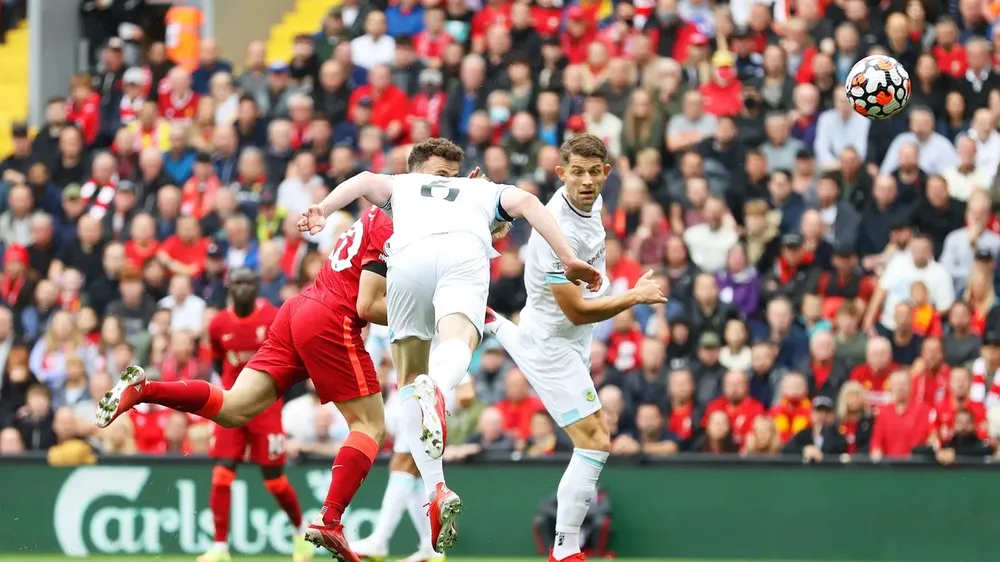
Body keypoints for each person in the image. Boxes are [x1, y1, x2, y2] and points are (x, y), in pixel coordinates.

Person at [296, 137, 603, 553]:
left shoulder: (402, 185)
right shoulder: (478, 189)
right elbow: (531, 204)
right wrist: (568, 259)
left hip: (407, 259)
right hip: (461, 255)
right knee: (461, 337)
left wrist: (323, 208)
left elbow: (364, 179)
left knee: (409, 375)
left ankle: (437, 486)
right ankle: (438, 389)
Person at [483, 134, 666, 562]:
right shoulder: (555, 231)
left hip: (564, 341)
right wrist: (634, 296)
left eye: (593, 172)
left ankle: (492, 322)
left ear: (606, 172)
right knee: (596, 442)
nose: (586, 181)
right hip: (554, 345)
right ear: (560, 174)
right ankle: (565, 550)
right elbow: (578, 312)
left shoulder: (592, 202)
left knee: (593, 439)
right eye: (576, 173)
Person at [201, 268, 314, 562]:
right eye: (237, 283)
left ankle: (300, 533)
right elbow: (217, 361)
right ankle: (220, 546)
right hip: (230, 404)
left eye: (249, 283)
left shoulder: (273, 317)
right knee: (222, 474)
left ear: (258, 287)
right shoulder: (218, 325)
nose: (243, 289)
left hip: (265, 407)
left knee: (274, 479)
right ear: (228, 288)